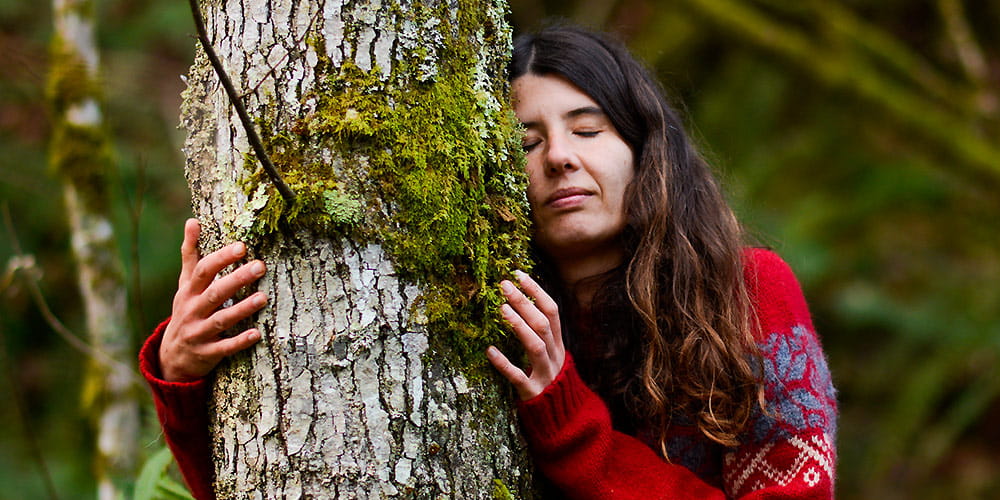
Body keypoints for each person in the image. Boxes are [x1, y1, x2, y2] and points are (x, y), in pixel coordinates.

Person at [140, 25, 837, 500]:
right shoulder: (474, 310)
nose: (559, 156)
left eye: (587, 129)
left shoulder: (743, 294)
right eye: (525, 143)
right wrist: (185, 377)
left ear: (644, 148)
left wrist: (569, 424)